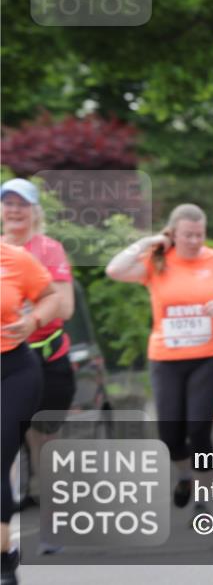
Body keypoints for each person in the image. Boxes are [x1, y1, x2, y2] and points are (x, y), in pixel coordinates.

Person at [106, 204, 213, 522]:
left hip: (212, 355)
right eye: (188, 235)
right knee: (170, 435)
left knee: (198, 429)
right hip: (167, 358)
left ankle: (202, 499)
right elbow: (114, 270)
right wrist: (147, 243)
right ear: (173, 233)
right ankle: (184, 475)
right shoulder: (157, 261)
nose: (195, 241)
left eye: (200, 234)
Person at [1, 179, 75, 525]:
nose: (14, 210)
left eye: (22, 204)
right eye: (8, 203)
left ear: (34, 211)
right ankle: (13, 498)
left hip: (44, 355)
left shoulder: (47, 250)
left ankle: (50, 497)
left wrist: (27, 319)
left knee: (43, 434)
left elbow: (65, 307)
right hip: (9, 357)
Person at [1, 242, 60, 585]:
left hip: (13, 369)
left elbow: (51, 296)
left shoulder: (14, 258)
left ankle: (3, 561)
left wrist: (32, 319)